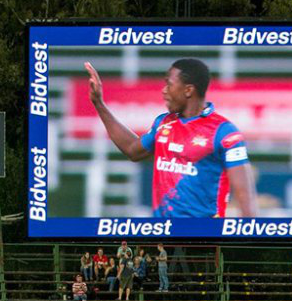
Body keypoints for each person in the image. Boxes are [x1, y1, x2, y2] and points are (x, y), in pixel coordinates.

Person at [86, 58, 254, 218]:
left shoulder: (224, 132)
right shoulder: (164, 123)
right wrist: (99, 104)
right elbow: (132, 150)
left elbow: (245, 197)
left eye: (169, 84)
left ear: (188, 90)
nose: (164, 90)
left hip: (204, 238)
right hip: (163, 236)